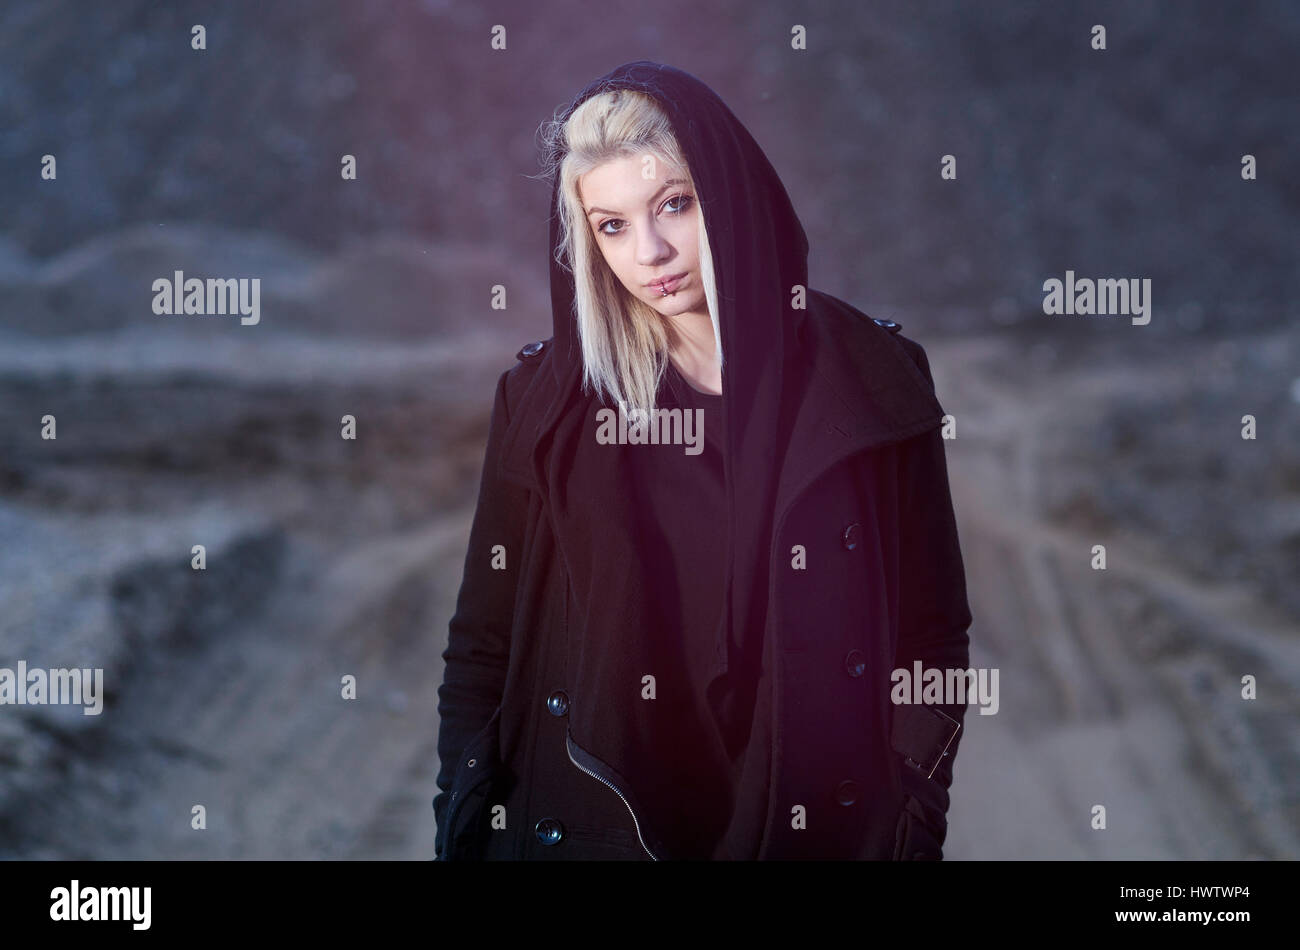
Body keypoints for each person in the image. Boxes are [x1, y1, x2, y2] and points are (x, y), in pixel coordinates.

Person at [432, 60, 973, 860]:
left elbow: (932, 636)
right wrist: (465, 816)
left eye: (673, 205)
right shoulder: (548, 403)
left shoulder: (872, 380)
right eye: (611, 226)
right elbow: (484, 640)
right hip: (590, 829)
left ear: (731, 196)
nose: (648, 251)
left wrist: (911, 815)